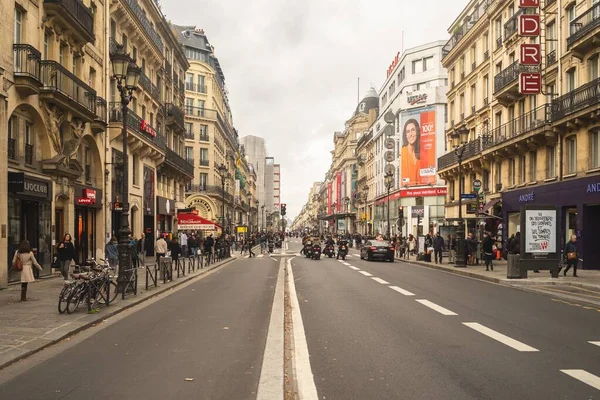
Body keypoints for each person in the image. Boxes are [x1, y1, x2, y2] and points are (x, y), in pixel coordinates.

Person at [401, 118, 421, 185]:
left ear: (417, 132)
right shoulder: (403, 152)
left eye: (413, 130)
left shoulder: (422, 152)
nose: (410, 134)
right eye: (408, 131)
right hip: (407, 190)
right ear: (405, 135)